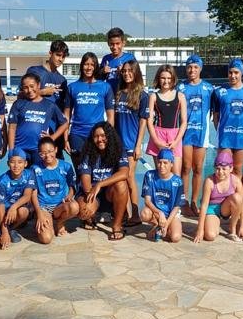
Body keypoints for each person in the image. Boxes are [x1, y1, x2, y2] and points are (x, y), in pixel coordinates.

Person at [76, 121, 131, 240]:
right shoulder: (87, 153)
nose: (99, 139)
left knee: (121, 184)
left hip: (109, 194)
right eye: (96, 136)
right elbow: (86, 183)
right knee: (83, 211)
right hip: (92, 193)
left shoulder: (119, 150)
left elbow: (124, 173)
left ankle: (117, 226)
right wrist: (91, 205)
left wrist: (100, 184)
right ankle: (92, 217)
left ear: (109, 136)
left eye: (103, 136)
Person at [178, 54, 215, 217]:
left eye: (195, 67)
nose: (192, 70)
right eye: (189, 67)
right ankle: (184, 201)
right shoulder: (181, 87)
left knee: (198, 168)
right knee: (186, 167)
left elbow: (215, 111)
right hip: (185, 132)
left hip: (201, 132)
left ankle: (194, 201)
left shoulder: (209, 89)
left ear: (200, 69)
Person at [7, 72, 69, 165]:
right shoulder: (18, 104)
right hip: (20, 148)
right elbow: (12, 128)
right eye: (25, 87)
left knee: (38, 173)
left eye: (32, 86)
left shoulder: (49, 105)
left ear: (39, 85)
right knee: (20, 173)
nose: (29, 90)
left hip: (39, 150)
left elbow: (64, 123)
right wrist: (11, 150)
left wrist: (52, 137)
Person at [115, 59, 149, 226]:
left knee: (129, 177)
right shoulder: (118, 93)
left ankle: (135, 215)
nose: (127, 74)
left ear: (136, 73)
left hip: (131, 143)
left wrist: (138, 145)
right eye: (124, 71)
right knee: (121, 179)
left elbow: (143, 122)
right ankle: (126, 213)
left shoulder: (142, 95)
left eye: (130, 71)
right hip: (117, 144)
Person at [212, 59, 243, 176]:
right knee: (223, 168)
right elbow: (216, 116)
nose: (233, 76)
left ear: (242, 73)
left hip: (241, 137)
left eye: (236, 72)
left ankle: (237, 189)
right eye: (230, 72)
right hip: (225, 137)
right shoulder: (219, 92)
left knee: (237, 170)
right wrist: (221, 131)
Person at [65, 52, 114, 159]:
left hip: (98, 135)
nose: (89, 68)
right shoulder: (72, 87)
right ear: (81, 65)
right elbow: (67, 115)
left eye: (92, 65)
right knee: (80, 168)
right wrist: (65, 139)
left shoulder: (105, 87)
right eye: (86, 64)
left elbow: (110, 116)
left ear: (96, 67)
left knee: (96, 168)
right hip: (77, 135)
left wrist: (109, 136)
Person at [32, 136, 79, 244]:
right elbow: (33, 193)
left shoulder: (66, 166)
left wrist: (69, 195)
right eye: (43, 153)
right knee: (46, 239)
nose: (47, 155)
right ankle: (45, 223)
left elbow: (72, 186)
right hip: (44, 207)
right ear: (39, 154)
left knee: (74, 207)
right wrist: (39, 213)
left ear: (56, 150)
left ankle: (59, 223)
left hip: (60, 205)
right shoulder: (35, 168)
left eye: (50, 151)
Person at [194, 149, 243, 243]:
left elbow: (242, 205)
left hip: (226, 208)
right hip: (212, 209)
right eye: (218, 168)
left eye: (224, 169)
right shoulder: (209, 181)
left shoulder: (236, 181)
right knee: (210, 236)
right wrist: (200, 229)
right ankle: (214, 223)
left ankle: (233, 229)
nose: (220, 172)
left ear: (231, 168)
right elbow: (204, 205)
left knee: (238, 198)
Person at [146, 64, 188, 174]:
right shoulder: (153, 97)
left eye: (169, 78)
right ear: (158, 79)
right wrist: (156, 141)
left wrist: (176, 141)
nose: (166, 81)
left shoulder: (180, 96)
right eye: (163, 78)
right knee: (161, 173)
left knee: (176, 174)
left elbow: (184, 122)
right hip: (158, 135)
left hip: (174, 136)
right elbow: (149, 122)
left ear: (173, 79)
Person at [0, 151, 35, 249]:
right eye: (12, 162)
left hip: (14, 209)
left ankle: (11, 228)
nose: (16, 166)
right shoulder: (2, 181)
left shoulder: (29, 174)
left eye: (20, 162)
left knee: (23, 211)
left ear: (25, 164)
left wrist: (13, 207)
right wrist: (4, 231)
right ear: (8, 164)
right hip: (0, 212)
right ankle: (3, 229)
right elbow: (0, 207)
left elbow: (27, 196)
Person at [140, 148, 185, 243]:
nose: (162, 166)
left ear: (171, 164)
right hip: (156, 213)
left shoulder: (177, 181)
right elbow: (147, 201)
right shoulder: (149, 175)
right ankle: (157, 225)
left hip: (171, 213)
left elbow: (177, 206)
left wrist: (167, 224)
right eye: (159, 162)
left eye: (165, 163)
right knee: (144, 214)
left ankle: (161, 227)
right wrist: (160, 213)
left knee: (175, 238)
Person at [26, 39, 70, 109]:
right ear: (50, 53)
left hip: (54, 115)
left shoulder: (62, 80)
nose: (60, 59)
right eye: (58, 55)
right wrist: (42, 92)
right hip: (36, 113)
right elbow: (21, 94)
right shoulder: (34, 71)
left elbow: (64, 104)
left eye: (63, 57)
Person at [100, 27, 136, 92]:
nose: (114, 47)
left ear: (123, 43)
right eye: (112, 44)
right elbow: (99, 79)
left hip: (126, 94)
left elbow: (137, 77)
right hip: (110, 94)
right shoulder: (105, 58)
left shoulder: (130, 58)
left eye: (117, 43)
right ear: (108, 43)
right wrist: (103, 72)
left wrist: (124, 71)